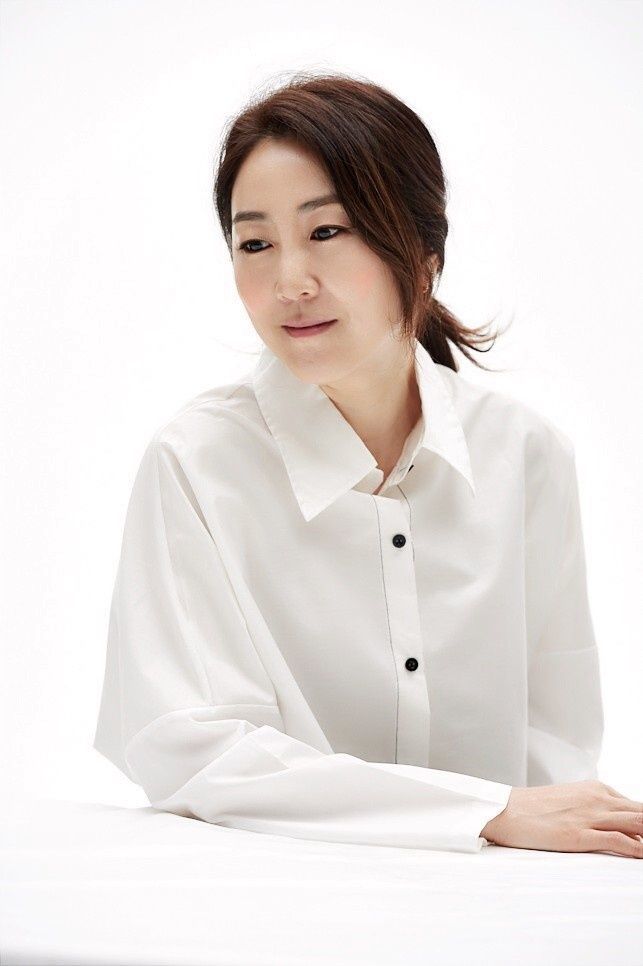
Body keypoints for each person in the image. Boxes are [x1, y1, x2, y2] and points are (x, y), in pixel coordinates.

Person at [93, 71, 643, 858]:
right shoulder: (196, 464)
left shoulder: (526, 456)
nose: (289, 283)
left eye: (326, 231)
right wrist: (482, 811)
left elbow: (556, 751)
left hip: (503, 900)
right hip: (274, 897)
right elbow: (191, 752)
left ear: (420, 254)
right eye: (255, 244)